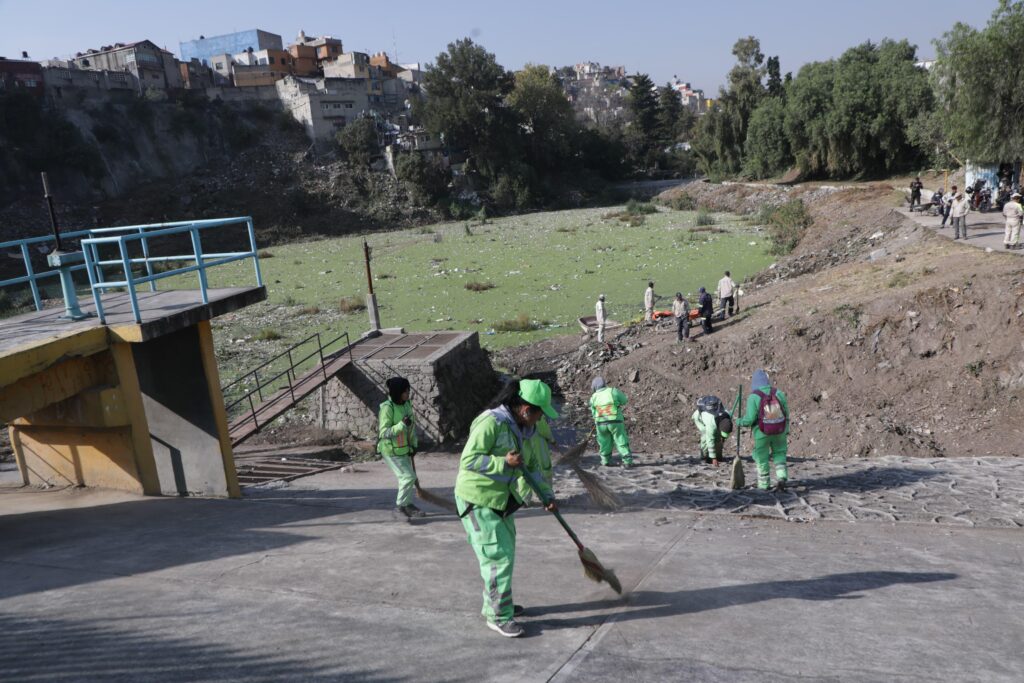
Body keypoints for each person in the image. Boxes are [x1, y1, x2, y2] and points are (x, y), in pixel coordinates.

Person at [454, 379, 558, 638]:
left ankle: (499, 604)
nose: (541, 418)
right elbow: (468, 460)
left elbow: (532, 468)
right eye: (540, 412)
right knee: (497, 557)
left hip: (502, 502)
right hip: (477, 500)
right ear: (525, 409)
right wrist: (504, 462)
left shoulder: (527, 431)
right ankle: (498, 615)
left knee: (505, 554)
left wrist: (547, 496)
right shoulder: (491, 422)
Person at [736, 369, 790, 491]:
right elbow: (786, 413)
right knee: (780, 454)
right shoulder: (779, 393)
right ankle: (782, 477)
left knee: (762, 458)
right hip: (780, 430)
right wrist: (786, 429)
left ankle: (764, 484)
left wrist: (739, 421)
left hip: (762, 432)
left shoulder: (754, 396)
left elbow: (749, 419)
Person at [378, 376, 422, 519]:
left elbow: (411, 427)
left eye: (408, 390)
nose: (408, 393)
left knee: (409, 478)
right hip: (390, 450)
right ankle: (400, 507)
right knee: (408, 477)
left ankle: (407, 505)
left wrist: (414, 444)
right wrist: (401, 425)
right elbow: (384, 433)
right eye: (405, 391)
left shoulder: (406, 404)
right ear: (397, 392)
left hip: (404, 449)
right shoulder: (387, 408)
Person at [589, 376, 634, 468]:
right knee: (620, 439)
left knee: (604, 442)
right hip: (615, 421)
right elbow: (624, 401)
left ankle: (605, 461)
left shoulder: (593, 397)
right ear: (604, 384)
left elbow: (593, 412)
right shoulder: (613, 391)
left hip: (600, 423)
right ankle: (627, 461)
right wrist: (617, 403)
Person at [692, 397, 733, 466]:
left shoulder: (727, 416)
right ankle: (704, 457)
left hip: (715, 421)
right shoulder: (711, 423)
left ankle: (719, 456)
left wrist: (722, 438)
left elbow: (725, 430)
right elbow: (710, 440)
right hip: (700, 419)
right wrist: (713, 458)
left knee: (718, 438)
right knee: (706, 437)